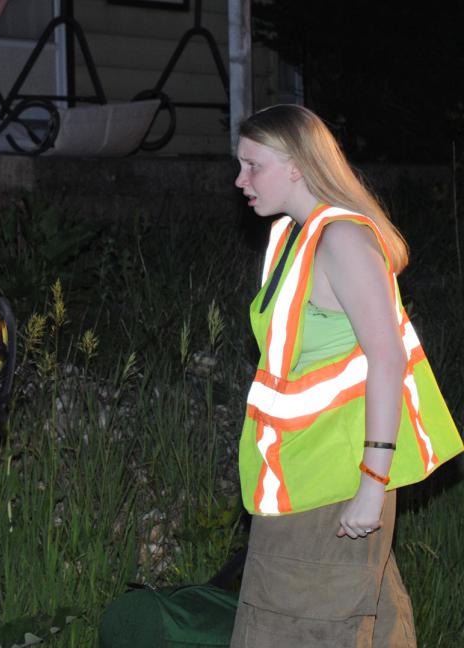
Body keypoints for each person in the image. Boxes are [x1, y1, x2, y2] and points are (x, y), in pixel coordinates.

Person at [229, 104, 462, 647]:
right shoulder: (295, 237)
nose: (239, 181)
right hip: (304, 476)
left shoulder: (342, 242)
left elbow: (387, 359)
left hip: (332, 488)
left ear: (296, 165)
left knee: (294, 628)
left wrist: (371, 487)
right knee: (371, 625)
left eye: (251, 165)